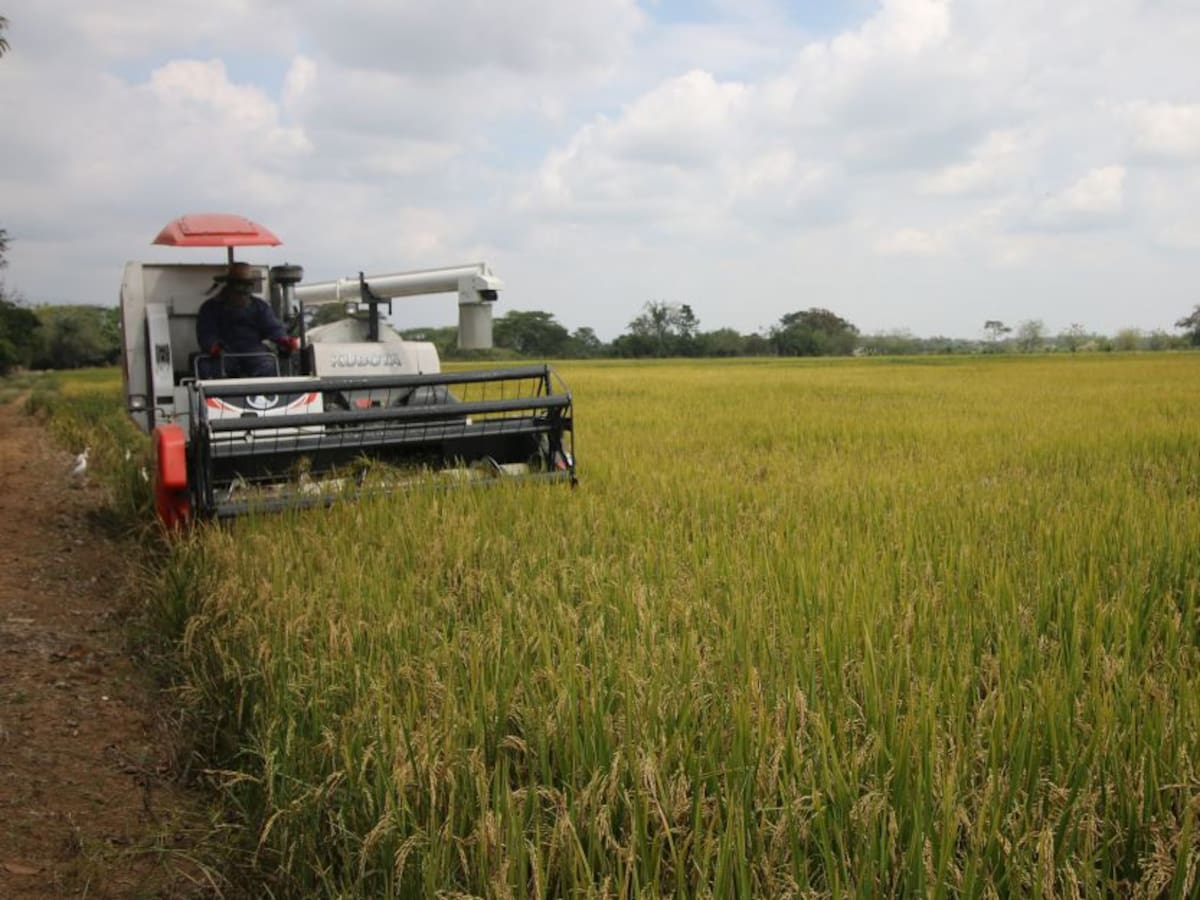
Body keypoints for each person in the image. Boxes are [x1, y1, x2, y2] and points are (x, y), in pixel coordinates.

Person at [196, 261, 299, 377]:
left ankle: (267, 393)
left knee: (270, 365)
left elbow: (272, 327)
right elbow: (206, 333)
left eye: (249, 286)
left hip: (254, 353)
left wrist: (284, 340)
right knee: (208, 368)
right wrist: (213, 347)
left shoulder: (260, 306)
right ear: (229, 285)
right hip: (224, 353)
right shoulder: (210, 307)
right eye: (240, 285)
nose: (244, 291)